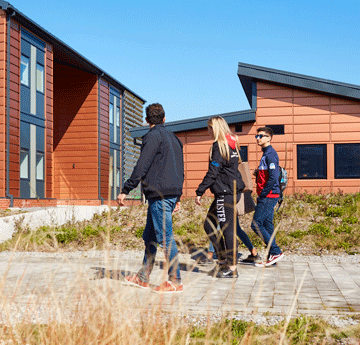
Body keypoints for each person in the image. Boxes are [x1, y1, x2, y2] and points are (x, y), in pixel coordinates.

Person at [117, 103, 184, 293]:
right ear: (164, 118)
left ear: (147, 120)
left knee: (165, 238)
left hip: (160, 195)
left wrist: (126, 189)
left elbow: (141, 166)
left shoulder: (151, 137)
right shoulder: (175, 139)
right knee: (150, 237)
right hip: (168, 194)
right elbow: (180, 168)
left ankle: (175, 280)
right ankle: (143, 277)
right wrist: (177, 196)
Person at [195, 116, 246, 278]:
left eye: (209, 128)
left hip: (226, 194)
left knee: (227, 230)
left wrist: (200, 191)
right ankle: (223, 259)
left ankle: (231, 268)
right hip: (228, 192)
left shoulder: (219, 146)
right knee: (209, 226)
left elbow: (213, 172)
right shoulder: (231, 144)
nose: (207, 131)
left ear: (215, 128)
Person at [244, 126, 284, 267]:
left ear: (269, 138)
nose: (258, 138)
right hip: (269, 194)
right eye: (257, 136)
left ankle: (275, 251)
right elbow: (268, 174)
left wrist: (263, 194)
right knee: (267, 224)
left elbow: (273, 178)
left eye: (261, 136)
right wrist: (258, 173)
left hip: (269, 195)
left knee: (256, 224)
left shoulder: (270, 154)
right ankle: (273, 256)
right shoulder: (266, 154)